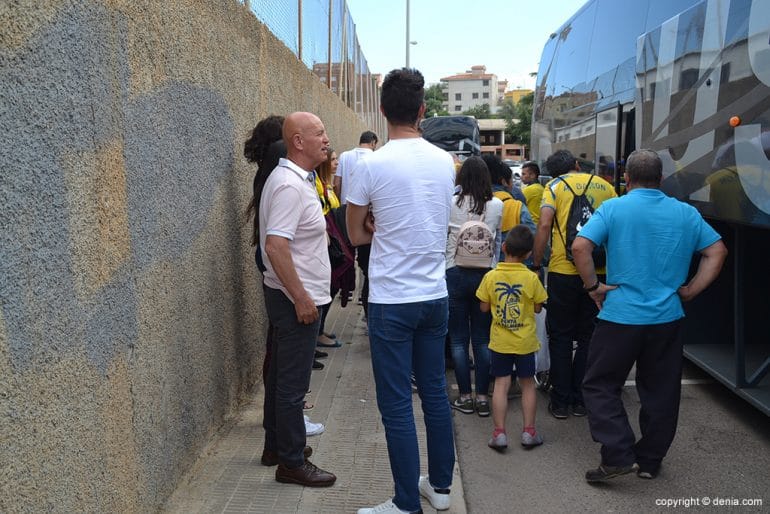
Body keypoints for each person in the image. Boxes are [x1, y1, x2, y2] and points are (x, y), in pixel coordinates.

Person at [572, 149, 727, 482]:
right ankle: (650, 460)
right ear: (662, 179)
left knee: (599, 384)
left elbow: (580, 247)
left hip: (620, 318)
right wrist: (691, 290)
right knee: (661, 390)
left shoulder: (613, 207)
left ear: (627, 178)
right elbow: (717, 251)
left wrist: (593, 287)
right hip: (667, 318)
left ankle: (617, 453)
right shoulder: (685, 213)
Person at [347, 68, 455, 514]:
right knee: (434, 393)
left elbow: (354, 234)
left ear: (383, 111)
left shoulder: (371, 164)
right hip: (435, 294)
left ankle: (407, 501)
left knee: (395, 404)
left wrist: (376, 224)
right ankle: (441, 489)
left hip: (392, 299)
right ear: (423, 111)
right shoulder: (444, 161)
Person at [259, 111, 336, 487]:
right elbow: (276, 246)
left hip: (291, 297)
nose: (326, 139)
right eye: (318, 133)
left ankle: (276, 445)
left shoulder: (295, 179)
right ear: (298, 142)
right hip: (295, 302)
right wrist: (302, 298)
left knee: (279, 379)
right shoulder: (290, 185)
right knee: (292, 386)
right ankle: (290, 463)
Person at [531, 149, 616, 420]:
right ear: (578, 165)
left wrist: (536, 262)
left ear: (555, 172)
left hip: (562, 270)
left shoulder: (554, 187)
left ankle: (560, 401)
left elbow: (544, 225)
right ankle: (581, 399)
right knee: (590, 335)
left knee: (561, 335)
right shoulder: (605, 185)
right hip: (597, 270)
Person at [477, 225, 548, 451]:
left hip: (500, 340)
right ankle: (529, 432)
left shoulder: (491, 276)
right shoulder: (531, 278)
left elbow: (483, 307)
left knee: (501, 383)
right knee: (527, 384)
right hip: (525, 341)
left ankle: (499, 434)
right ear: (528, 254)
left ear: (504, 247)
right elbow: (538, 308)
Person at [445, 156, 503, 418]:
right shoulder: (497, 205)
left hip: (454, 271)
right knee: (482, 339)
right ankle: (482, 397)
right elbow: (498, 241)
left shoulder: (450, 203)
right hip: (485, 275)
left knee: (458, 339)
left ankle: (464, 397)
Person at [334, 130, 378, 204]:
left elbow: (337, 184)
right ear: (373, 143)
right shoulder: (376, 158)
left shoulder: (344, 156)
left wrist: (338, 203)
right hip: (367, 208)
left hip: (345, 206)